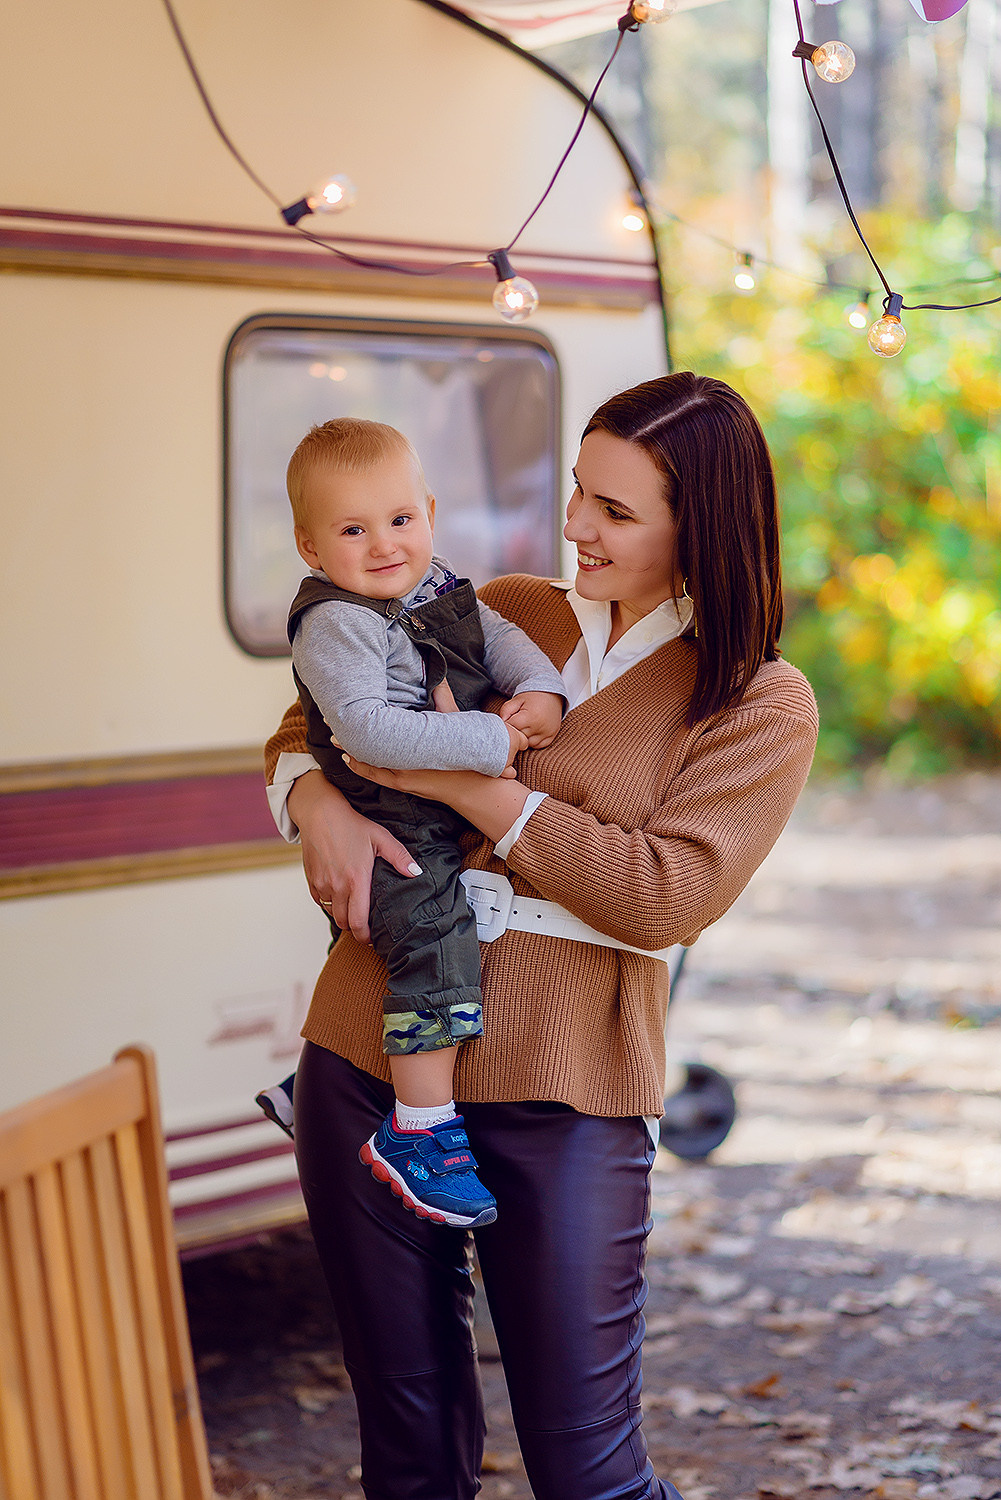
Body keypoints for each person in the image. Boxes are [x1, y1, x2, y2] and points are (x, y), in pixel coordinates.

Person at [265, 374, 819, 1500]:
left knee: (587, 1470)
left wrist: (469, 793)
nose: (575, 526)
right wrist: (312, 803)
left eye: (614, 511)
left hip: (568, 1083)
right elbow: (304, 726)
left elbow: (665, 893)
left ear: (699, 526)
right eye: (577, 491)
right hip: (370, 1050)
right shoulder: (508, 603)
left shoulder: (756, 701)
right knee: (409, 1454)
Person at [265, 416, 566, 1230]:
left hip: (430, 815)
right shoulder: (334, 622)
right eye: (352, 529)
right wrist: (492, 738)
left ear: (429, 511)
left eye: (400, 520)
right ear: (310, 546)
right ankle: (420, 1134)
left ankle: (330, 1081)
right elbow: (364, 729)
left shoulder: (435, 586)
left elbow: (498, 638)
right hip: (390, 819)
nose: (384, 544)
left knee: (389, 954)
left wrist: (540, 691)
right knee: (432, 940)